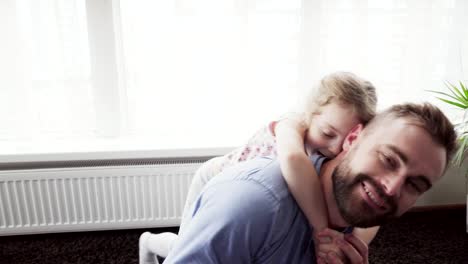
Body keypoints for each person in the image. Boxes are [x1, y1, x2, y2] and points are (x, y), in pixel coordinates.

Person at [163, 102, 457, 263]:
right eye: (389, 159)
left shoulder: (364, 213)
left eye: (415, 185)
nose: (392, 188)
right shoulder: (251, 205)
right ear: (352, 139)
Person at [139, 72, 379, 264]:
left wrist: (353, 243)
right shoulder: (292, 124)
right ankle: (148, 242)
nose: (336, 147)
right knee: (192, 245)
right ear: (310, 115)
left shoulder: (332, 153)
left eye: (347, 140)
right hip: (215, 178)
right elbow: (295, 162)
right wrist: (322, 231)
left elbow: (371, 215)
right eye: (327, 133)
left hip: (259, 199)